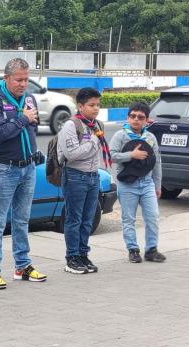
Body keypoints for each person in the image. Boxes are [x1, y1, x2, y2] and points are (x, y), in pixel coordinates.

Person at [0, 58, 48, 289]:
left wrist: (28, 121)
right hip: (4, 168)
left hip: (28, 167)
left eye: (26, 79)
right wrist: (23, 118)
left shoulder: (29, 99)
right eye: (18, 80)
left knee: (22, 219)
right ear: (6, 78)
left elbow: (32, 128)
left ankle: (23, 265)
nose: (23, 84)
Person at [57, 87, 112, 274]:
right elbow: (71, 154)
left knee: (88, 219)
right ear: (80, 106)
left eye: (98, 105)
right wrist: (94, 141)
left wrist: (93, 141)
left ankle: (82, 254)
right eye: (91, 105)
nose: (96, 108)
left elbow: (95, 153)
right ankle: (72, 258)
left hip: (93, 176)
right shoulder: (71, 126)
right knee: (74, 219)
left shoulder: (98, 125)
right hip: (75, 176)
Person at [109, 102, 166, 264]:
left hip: (147, 183)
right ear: (128, 118)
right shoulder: (120, 136)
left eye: (140, 117)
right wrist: (131, 155)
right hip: (127, 183)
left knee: (153, 217)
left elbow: (156, 162)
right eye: (133, 116)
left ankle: (151, 250)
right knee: (128, 219)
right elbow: (112, 156)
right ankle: (133, 250)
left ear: (146, 121)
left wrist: (157, 185)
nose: (136, 120)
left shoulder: (150, 138)